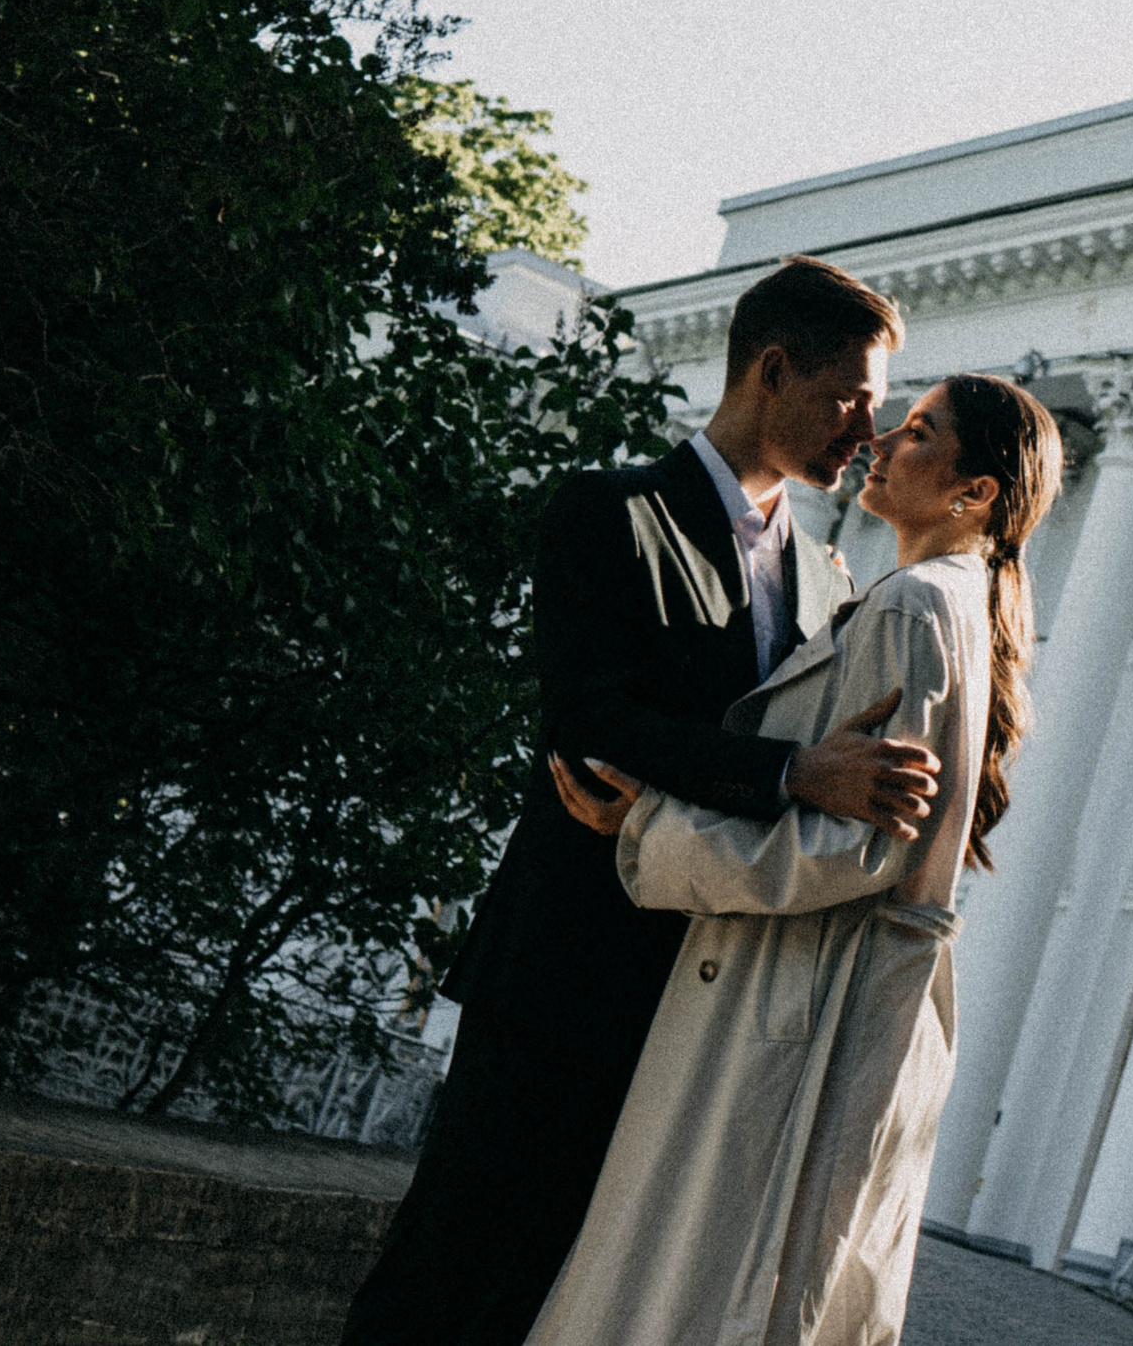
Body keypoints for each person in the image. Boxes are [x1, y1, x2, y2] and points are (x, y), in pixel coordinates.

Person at [344, 256, 947, 1346]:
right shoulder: (610, 513)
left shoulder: (832, 584)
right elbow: (589, 725)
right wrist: (789, 777)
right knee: (451, 1277)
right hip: (560, 979)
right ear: (772, 369)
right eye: (852, 395)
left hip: (702, 1008)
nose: (869, 426)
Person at [524, 373, 1063, 1346]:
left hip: (804, 999)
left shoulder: (911, 607)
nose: (885, 442)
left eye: (917, 432)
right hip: (836, 998)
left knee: (715, 1294)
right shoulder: (955, 602)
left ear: (973, 491)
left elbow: (852, 848)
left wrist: (648, 829)